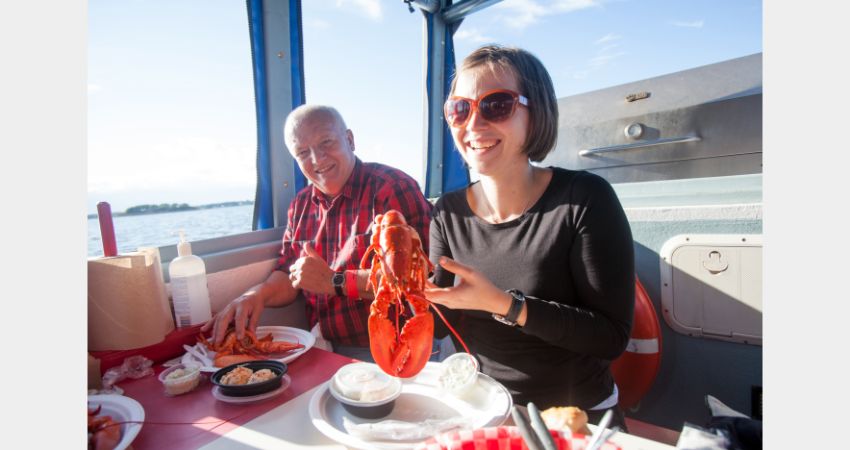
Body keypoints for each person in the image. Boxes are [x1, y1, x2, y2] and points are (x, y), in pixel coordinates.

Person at [425, 45, 635, 430]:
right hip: (485, 411)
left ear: (535, 113)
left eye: (496, 105)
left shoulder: (585, 198)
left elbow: (611, 337)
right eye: (460, 109)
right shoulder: (446, 213)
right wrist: (400, 286)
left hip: (577, 418)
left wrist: (507, 305)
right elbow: (437, 324)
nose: (473, 124)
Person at [202, 105, 433, 361]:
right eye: (303, 152)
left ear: (350, 140)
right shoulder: (299, 206)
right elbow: (289, 276)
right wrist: (257, 295)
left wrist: (334, 281)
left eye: (326, 142)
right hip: (323, 345)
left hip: (397, 344)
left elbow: (421, 281)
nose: (317, 159)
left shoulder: (393, 188)